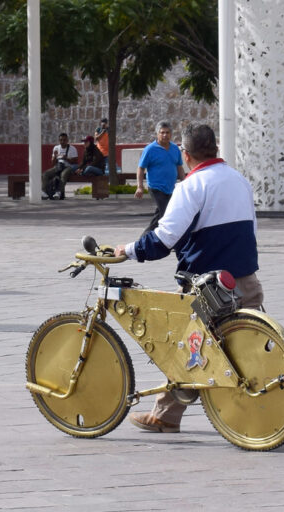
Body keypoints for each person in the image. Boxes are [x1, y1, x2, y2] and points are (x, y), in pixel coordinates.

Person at [115, 123, 263, 434]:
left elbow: (163, 240)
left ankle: (165, 416)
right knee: (253, 348)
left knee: (188, 348)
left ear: (185, 154)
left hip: (209, 287)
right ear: (216, 149)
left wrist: (127, 250)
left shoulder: (191, 187)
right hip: (247, 280)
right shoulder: (240, 181)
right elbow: (252, 229)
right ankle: (269, 407)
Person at [135, 121, 186, 237]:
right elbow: (141, 168)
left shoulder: (175, 149)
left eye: (167, 132)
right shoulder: (150, 149)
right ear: (157, 134)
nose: (165, 135)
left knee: (160, 215)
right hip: (156, 187)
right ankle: (171, 240)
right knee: (167, 214)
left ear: (171, 134)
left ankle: (144, 238)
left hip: (170, 188)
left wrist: (184, 182)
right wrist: (140, 187)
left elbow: (179, 167)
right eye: (162, 132)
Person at [41, 133, 79, 200]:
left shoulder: (72, 148)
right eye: (61, 140)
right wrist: (55, 156)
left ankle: (58, 192)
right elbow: (53, 163)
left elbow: (75, 161)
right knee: (45, 174)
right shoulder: (56, 148)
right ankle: (44, 192)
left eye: (64, 140)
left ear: (67, 140)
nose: (62, 142)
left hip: (68, 167)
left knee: (63, 175)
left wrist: (66, 158)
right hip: (58, 166)